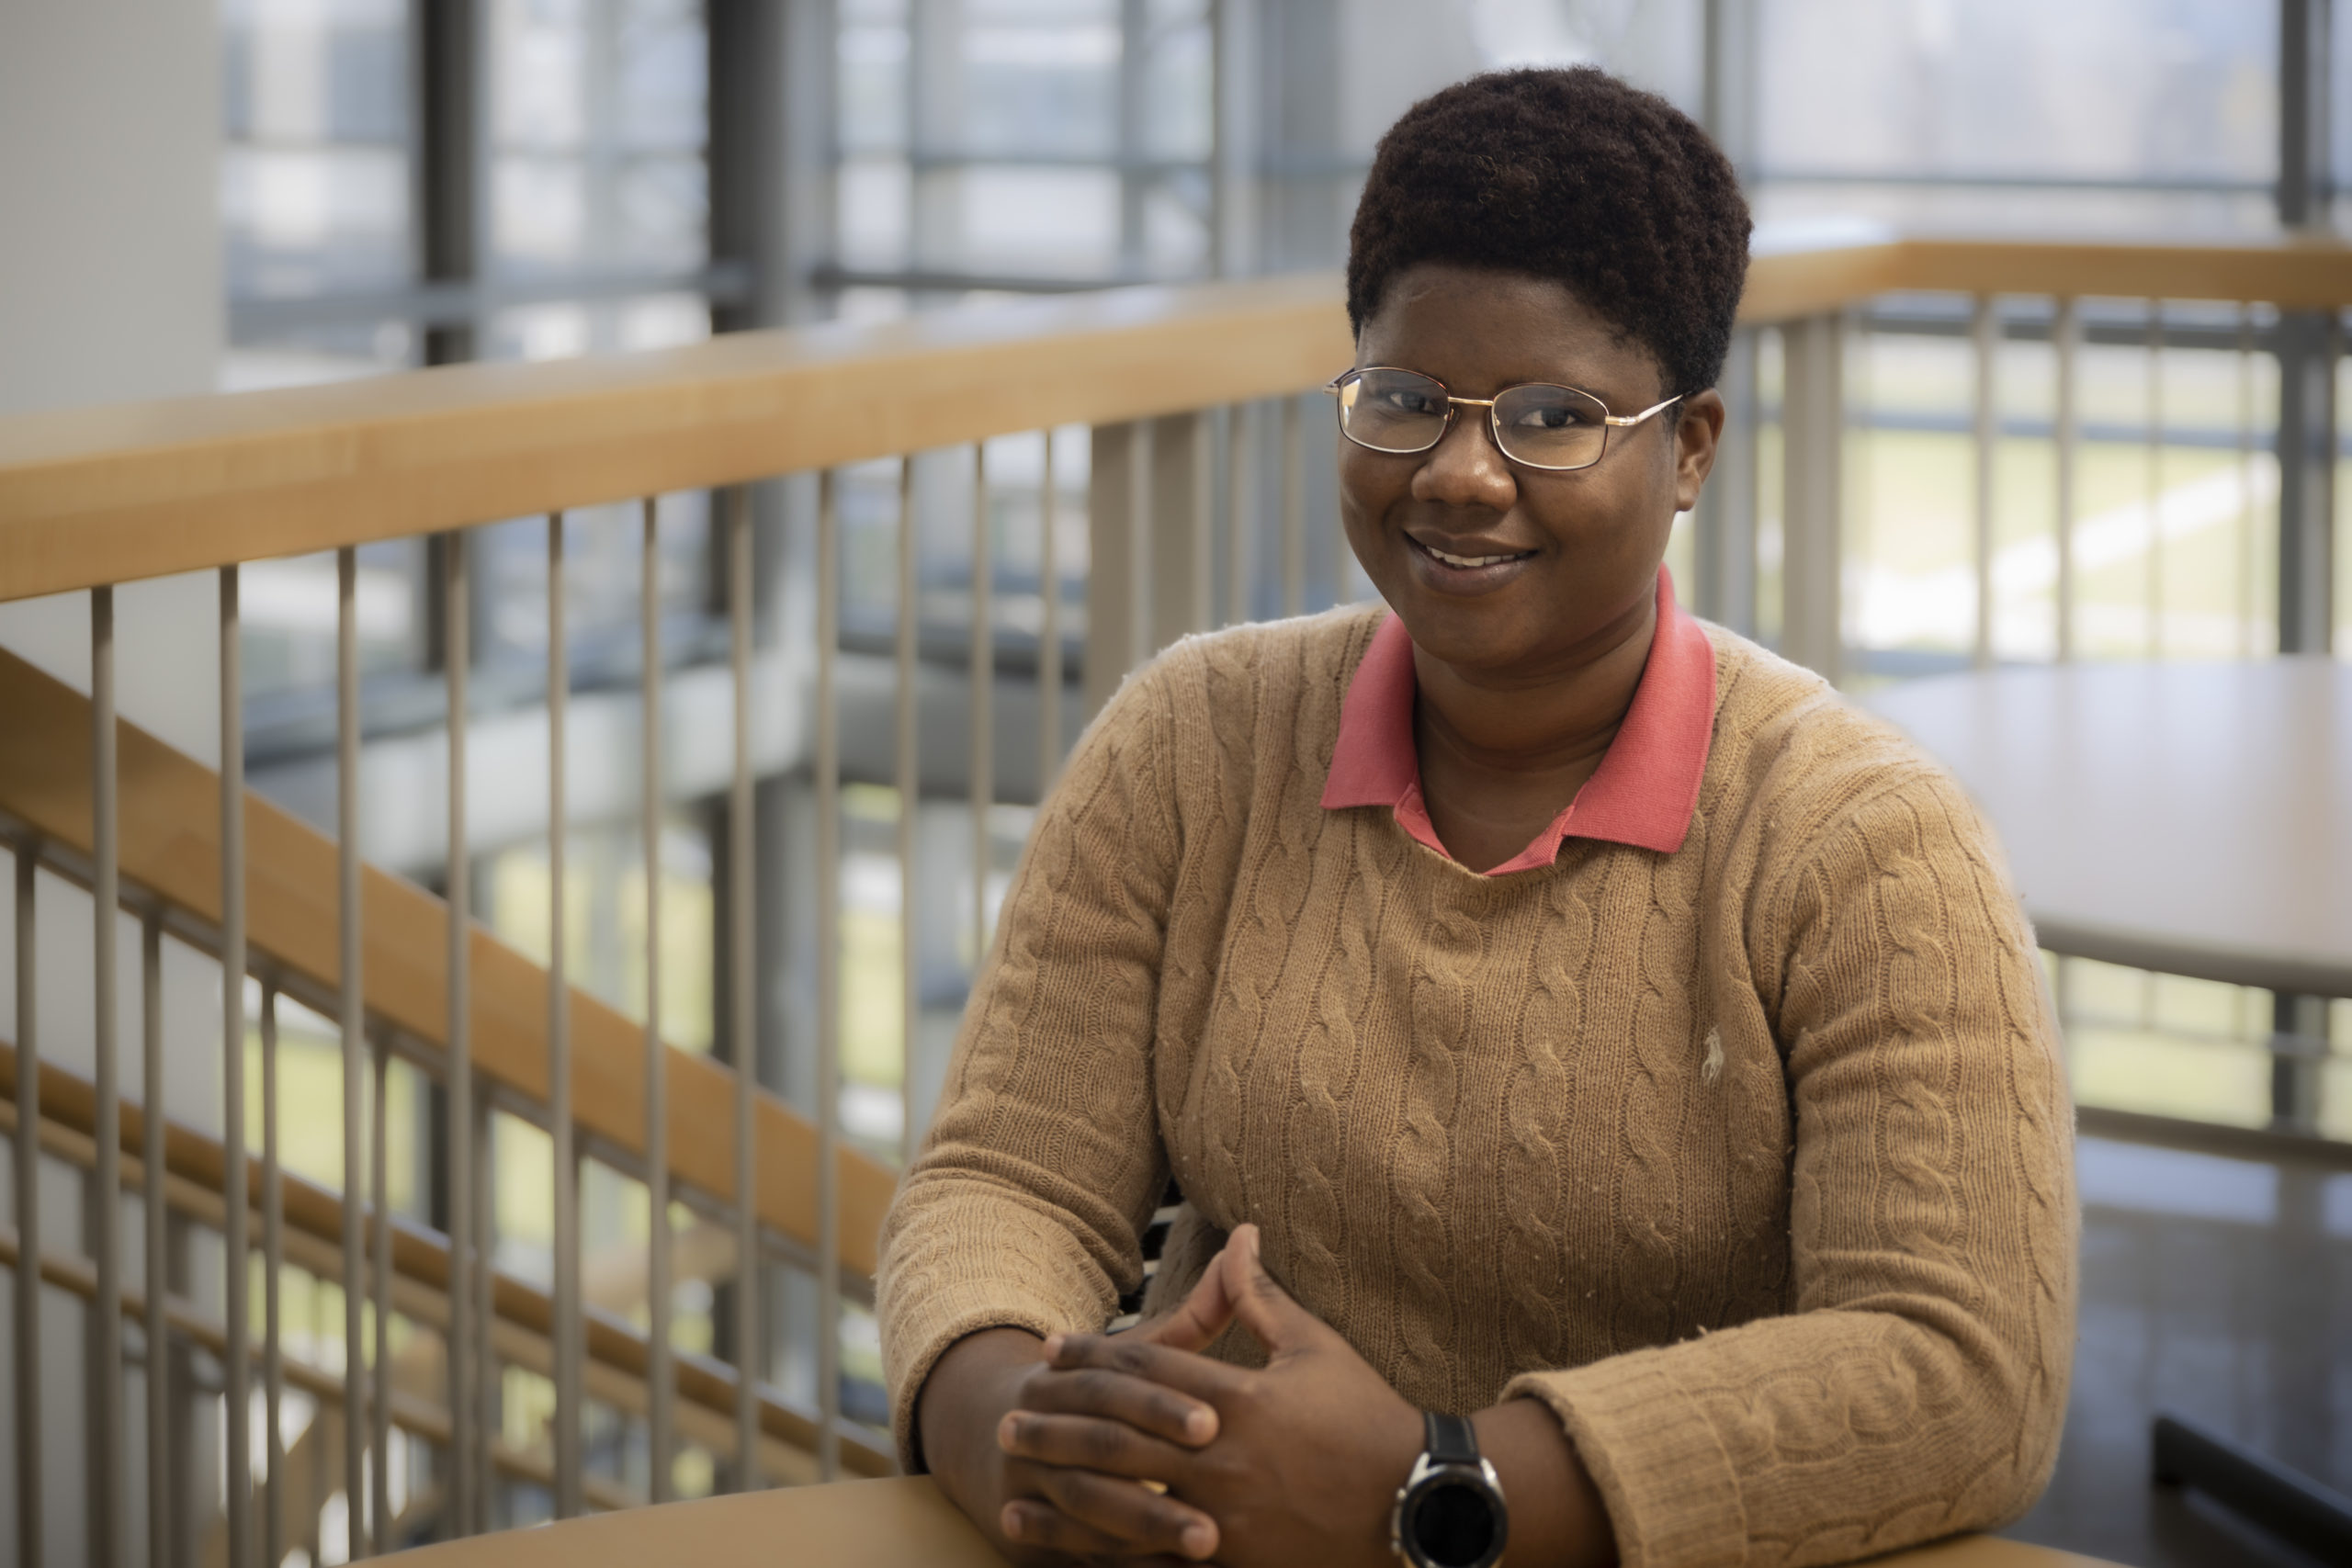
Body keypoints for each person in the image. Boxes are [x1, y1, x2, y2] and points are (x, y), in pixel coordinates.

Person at [877, 66, 2075, 1568]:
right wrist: (1027, 1433)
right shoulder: (1190, 743)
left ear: (1689, 448)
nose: (1457, 474)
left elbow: (1960, 1372)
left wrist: (1442, 1486)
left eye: (1553, 417)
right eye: (1402, 400)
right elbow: (1005, 1180)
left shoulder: (1862, 843)